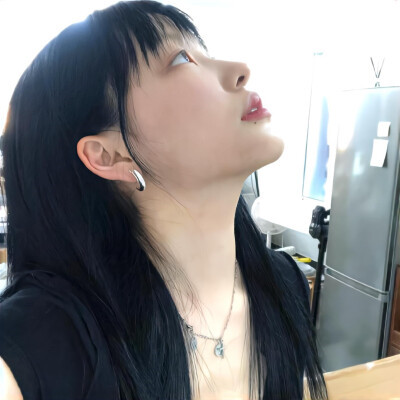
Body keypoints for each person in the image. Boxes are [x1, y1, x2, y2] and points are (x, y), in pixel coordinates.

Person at [0, 1, 328, 399]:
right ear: (109, 155)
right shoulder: (48, 339)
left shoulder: (284, 284)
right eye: (181, 58)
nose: (240, 69)